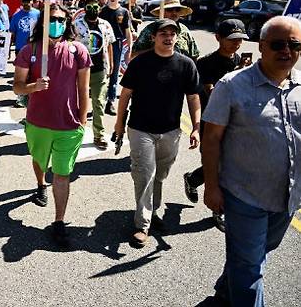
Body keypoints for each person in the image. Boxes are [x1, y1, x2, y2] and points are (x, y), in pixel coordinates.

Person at [202, 16, 301, 306]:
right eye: (278, 44)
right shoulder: (232, 85)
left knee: (258, 252)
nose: (287, 50)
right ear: (262, 47)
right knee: (251, 267)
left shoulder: (299, 88)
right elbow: (211, 139)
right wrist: (211, 186)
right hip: (244, 196)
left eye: (295, 45)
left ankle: (224, 290)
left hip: (287, 196)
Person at [114, 19, 201, 248]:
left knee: (160, 176)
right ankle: (142, 225)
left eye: (172, 33)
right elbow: (125, 95)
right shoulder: (140, 63)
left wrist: (196, 127)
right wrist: (119, 124)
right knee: (145, 175)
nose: (168, 37)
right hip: (141, 129)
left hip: (171, 131)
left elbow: (193, 97)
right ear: (153, 37)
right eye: (163, 33)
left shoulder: (186, 65)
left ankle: (154, 211)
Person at [13, 3, 91, 247]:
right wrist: (33, 87)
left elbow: (83, 88)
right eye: (51, 19)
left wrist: (83, 119)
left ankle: (59, 221)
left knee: (62, 173)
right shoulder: (29, 51)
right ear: (43, 23)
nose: (56, 23)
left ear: (67, 23)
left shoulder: (78, 51)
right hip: (37, 123)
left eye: (60, 19)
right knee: (39, 161)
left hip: (68, 125)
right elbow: (17, 86)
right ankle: (39, 185)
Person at [182, 19, 250, 232]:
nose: (236, 44)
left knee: (229, 165)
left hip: (236, 123)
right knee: (219, 165)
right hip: (212, 122)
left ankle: (194, 178)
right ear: (218, 38)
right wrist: (236, 75)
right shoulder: (205, 64)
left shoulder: (241, 61)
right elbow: (213, 95)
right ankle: (218, 210)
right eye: (231, 40)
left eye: (239, 40)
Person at [73, 0, 115, 149]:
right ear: (85, 9)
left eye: (96, 7)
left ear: (100, 9)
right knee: (78, 102)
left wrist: (111, 65)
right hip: (81, 70)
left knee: (99, 103)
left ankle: (99, 135)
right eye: (89, 7)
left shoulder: (105, 25)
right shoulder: (76, 24)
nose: (93, 10)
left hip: (100, 69)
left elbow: (109, 44)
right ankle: (75, 132)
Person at [132, 0, 200, 60]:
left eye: (177, 10)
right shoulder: (150, 29)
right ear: (162, 11)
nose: (174, 13)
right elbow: (133, 55)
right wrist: (156, 49)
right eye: (169, 10)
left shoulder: (184, 30)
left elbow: (194, 56)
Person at [99, 0, 132, 115]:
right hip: (104, 43)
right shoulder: (103, 11)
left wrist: (129, 49)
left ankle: (111, 101)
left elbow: (127, 31)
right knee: (102, 71)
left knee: (114, 72)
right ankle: (101, 99)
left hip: (117, 44)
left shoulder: (123, 12)